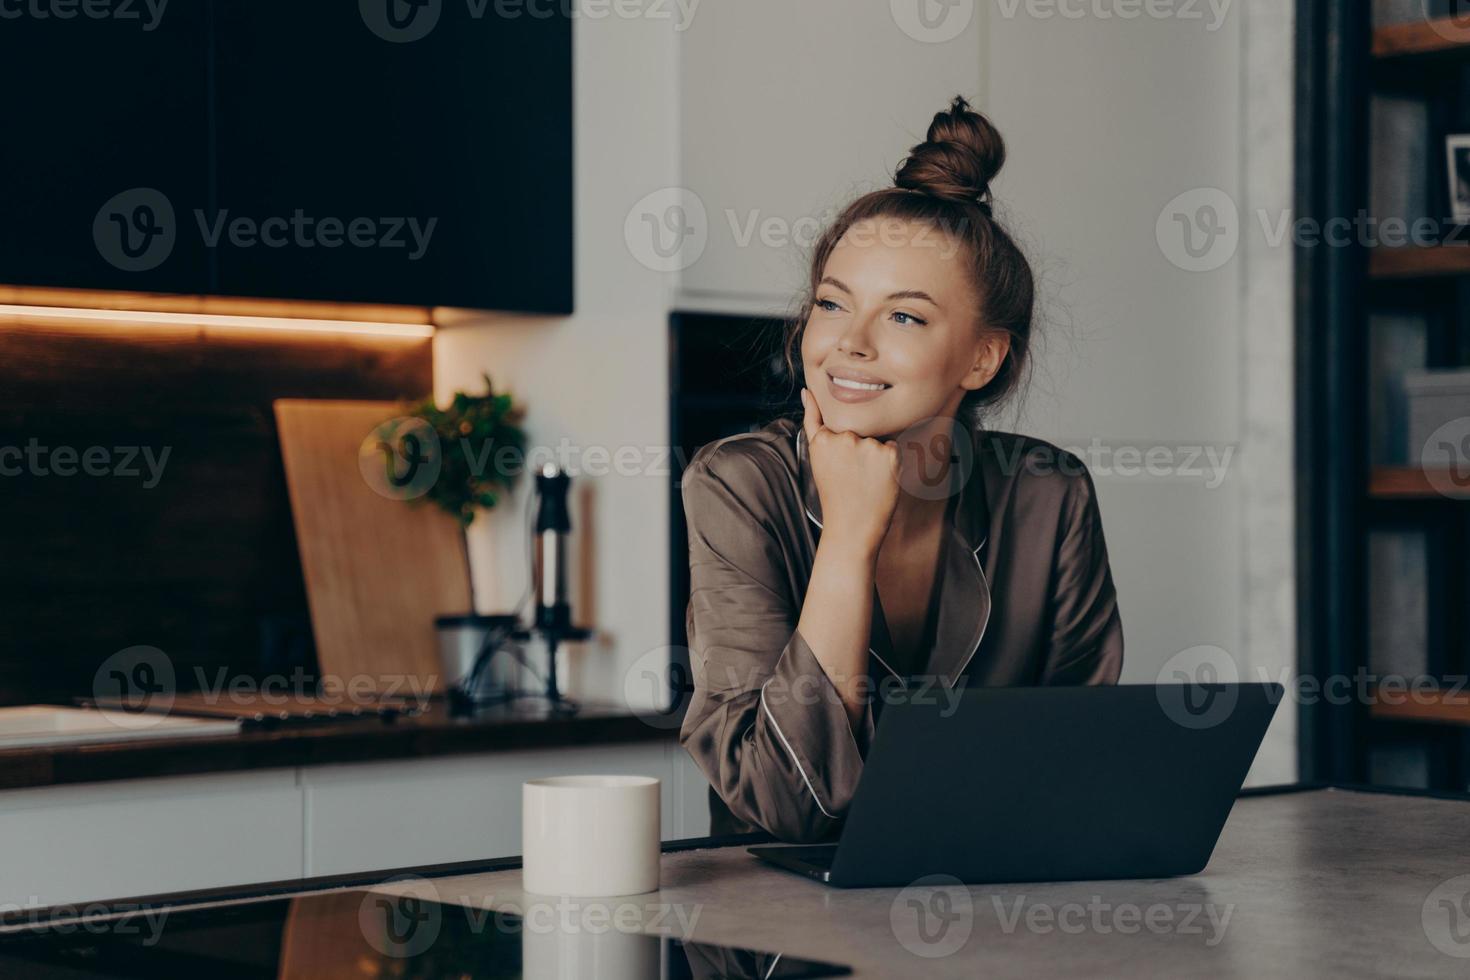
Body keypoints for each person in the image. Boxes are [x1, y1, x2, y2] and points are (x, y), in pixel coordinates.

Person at [678, 95, 1125, 843]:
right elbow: (783, 802)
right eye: (830, 304)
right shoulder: (738, 485)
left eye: (904, 316)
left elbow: (1073, 764)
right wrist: (849, 538)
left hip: (997, 923)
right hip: (781, 933)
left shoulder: (1048, 493)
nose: (848, 343)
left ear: (984, 357)